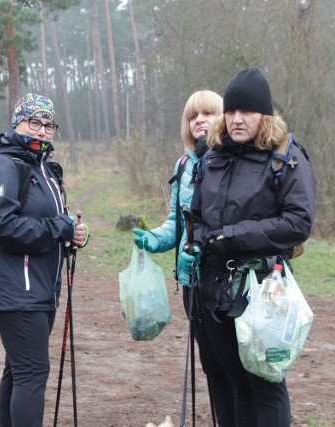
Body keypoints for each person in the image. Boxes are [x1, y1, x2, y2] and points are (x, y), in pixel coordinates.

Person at [180, 67, 316, 426]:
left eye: (248, 112)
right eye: (232, 111)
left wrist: (231, 236)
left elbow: (298, 222)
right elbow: (197, 213)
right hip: (213, 288)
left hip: (263, 289)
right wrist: (196, 240)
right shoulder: (212, 155)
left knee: (265, 384)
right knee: (238, 383)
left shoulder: (285, 157)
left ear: (264, 115)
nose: (237, 119)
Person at [0, 93, 88, 427]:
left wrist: (71, 235)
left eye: (48, 125)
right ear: (17, 123)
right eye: (33, 122)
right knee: (32, 372)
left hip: (38, 286)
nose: (41, 131)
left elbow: (49, 224)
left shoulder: (42, 168)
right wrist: (58, 228)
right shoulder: (3, 165)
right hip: (15, 288)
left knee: (19, 369)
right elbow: (3, 226)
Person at [131, 90, 239, 425]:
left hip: (225, 280)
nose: (200, 121)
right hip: (191, 282)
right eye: (193, 116)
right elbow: (178, 224)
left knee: (233, 364)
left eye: (207, 113)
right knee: (210, 365)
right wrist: (155, 239)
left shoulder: (232, 160)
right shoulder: (182, 166)